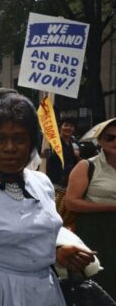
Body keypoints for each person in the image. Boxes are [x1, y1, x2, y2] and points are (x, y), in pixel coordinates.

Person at [0, 94, 95, 306]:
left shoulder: (43, 183)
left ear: (31, 143)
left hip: (45, 293)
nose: (10, 147)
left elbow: (30, 236)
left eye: (19, 139)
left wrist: (56, 253)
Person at [65, 117, 116, 299]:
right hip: (96, 232)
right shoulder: (87, 166)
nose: (115, 142)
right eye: (110, 137)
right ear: (100, 140)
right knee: (101, 286)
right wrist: (110, 207)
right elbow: (71, 201)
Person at [47, 117, 80, 190]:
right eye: (66, 125)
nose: (68, 128)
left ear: (74, 129)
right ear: (60, 127)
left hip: (69, 182)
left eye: (71, 126)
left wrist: (77, 156)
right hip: (55, 182)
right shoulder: (54, 142)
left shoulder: (74, 143)